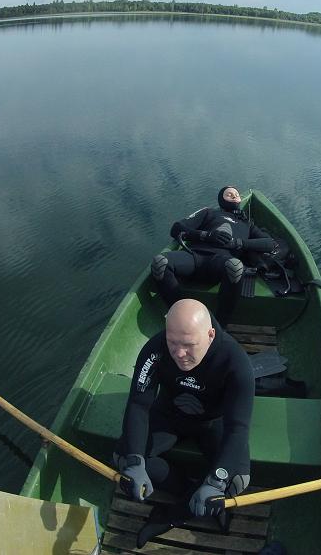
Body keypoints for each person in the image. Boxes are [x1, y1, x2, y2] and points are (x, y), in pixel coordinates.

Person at [114, 298, 255, 547]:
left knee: (236, 482)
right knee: (123, 458)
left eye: (189, 345)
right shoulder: (155, 349)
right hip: (170, 414)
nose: (180, 353)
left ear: (210, 335)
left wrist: (215, 482)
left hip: (214, 421)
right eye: (173, 343)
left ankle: (172, 515)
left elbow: (238, 427)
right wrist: (136, 461)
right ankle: (185, 489)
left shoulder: (236, 362)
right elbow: (138, 404)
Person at [151, 185, 277, 325]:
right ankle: (180, 316)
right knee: (160, 262)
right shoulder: (209, 213)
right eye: (229, 194)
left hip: (220, 262)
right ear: (221, 200)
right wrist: (206, 235)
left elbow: (270, 243)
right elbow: (176, 228)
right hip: (194, 256)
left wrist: (238, 243)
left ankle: (220, 326)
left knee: (235, 267)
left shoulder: (247, 224)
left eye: (236, 194)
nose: (235, 195)